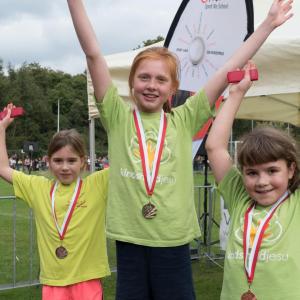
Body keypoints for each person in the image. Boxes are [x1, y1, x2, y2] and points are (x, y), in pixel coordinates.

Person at [67, 0, 293, 299]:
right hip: (130, 241)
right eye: (144, 77)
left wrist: (268, 24)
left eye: (161, 79)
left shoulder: (186, 118)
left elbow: (227, 68)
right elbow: (93, 54)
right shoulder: (117, 116)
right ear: (131, 83)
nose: (151, 85)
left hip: (173, 242)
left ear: (173, 87)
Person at [205, 62, 300, 299]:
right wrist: (237, 93)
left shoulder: (296, 203)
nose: (262, 181)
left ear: (291, 169)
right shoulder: (240, 197)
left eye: (272, 170)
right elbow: (215, 147)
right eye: (252, 173)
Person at [0, 103, 110, 300]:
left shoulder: (97, 184)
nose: (65, 167)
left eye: (72, 160)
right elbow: (3, 168)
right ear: (49, 162)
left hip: (87, 280)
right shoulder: (38, 187)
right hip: (53, 282)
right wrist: (1, 129)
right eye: (58, 161)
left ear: (83, 161)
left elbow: (128, 159)